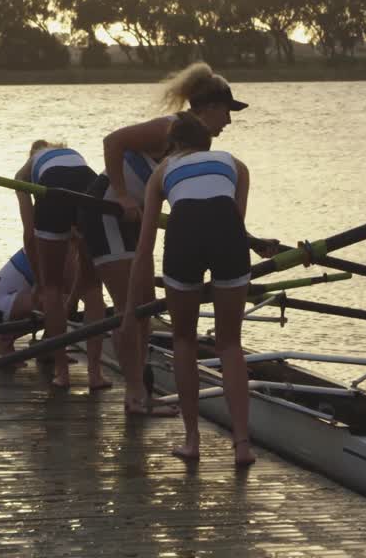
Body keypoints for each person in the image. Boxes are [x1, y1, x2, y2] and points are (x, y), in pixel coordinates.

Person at [79, 62, 248, 416]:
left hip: (132, 220)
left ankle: (141, 391)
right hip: (106, 212)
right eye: (227, 112)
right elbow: (113, 141)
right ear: (211, 108)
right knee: (130, 308)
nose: (229, 122)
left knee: (145, 307)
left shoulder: (195, 147)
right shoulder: (170, 128)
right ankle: (136, 395)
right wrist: (124, 196)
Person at [124, 112, 256, 466]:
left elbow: (144, 246)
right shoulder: (236, 165)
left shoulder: (162, 170)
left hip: (184, 239)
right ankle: (242, 445)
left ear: (175, 144)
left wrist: (130, 309)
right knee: (230, 342)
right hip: (227, 240)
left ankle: (192, 440)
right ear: (206, 141)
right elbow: (234, 223)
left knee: (184, 338)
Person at [16, 140, 100, 388]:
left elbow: (30, 233)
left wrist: (41, 283)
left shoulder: (25, 172)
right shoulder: (74, 156)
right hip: (90, 185)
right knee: (93, 287)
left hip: (53, 192)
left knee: (52, 288)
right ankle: (96, 374)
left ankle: (61, 372)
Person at [0, 241, 111, 390]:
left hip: (13, 301)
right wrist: (100, 311)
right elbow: (80, 289)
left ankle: (48, 348)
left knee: (61, 303)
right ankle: (5, 338)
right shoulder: (64, 250)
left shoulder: (67, 247)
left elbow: (75, 287)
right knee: (60, 304)